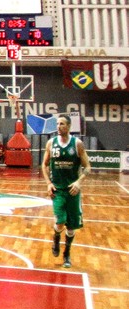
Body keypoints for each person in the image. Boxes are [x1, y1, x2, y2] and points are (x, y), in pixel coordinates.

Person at [42, 114, 91, 268]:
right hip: (57, 190)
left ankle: (67, 253)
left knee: (71, 227)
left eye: (62, 124)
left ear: (69, 126)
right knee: (60, 222)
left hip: (73, 191)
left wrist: (78, 182)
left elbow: (88, 167)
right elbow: (44, 165)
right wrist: (48, 183)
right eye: (57, 124)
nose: (58, 126)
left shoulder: (77, 144)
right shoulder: (51, 143)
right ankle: (56, 237)